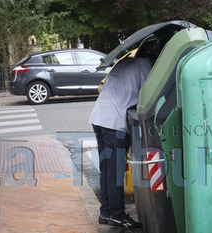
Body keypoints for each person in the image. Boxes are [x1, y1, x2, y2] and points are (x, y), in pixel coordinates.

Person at [89, 56, 153, 229]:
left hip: (99, 117)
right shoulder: (145, 64)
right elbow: (150, 93)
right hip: (114, 121)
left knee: (107, 168)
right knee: (115, 171)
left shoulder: (124, 62)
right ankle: (117, 215)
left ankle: (106, 212)